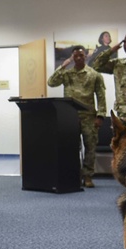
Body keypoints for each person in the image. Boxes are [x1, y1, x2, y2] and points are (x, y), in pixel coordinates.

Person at [47, 46, 106, 188]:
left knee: (90, 147)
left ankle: (87, 176)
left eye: (81, 55)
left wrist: (101, 116)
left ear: (85, 56)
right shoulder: (67, 74)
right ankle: (74, 174)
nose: (78, 58)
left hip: (89, 117)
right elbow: (51, 82)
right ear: (72, 57)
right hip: (70, 117)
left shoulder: (94, 75)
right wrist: (62, 66)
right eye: (75, 56)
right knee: (71, 147)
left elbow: (101, 96)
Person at [91, 31, 126, 128]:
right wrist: (111, 51)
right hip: (121, 114)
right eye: (124, 42)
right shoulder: (119, 64)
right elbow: (96, 65)